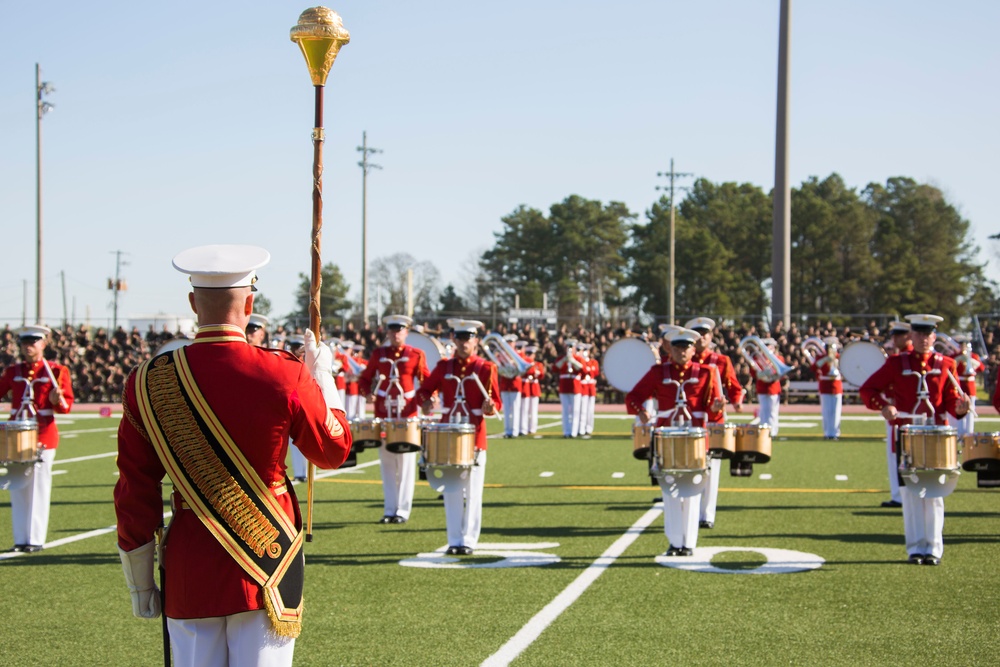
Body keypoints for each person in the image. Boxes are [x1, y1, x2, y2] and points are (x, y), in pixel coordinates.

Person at [114, 244, 351, 665]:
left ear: (192, 302)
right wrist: (323, 378)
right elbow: (333, 451)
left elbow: (135, 490)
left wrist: (139, 584)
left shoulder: (147, 381)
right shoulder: (284, 372)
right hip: (267, 564)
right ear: (250, 302)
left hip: (190, 564)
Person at [859, 313, 969, 566]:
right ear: (912, 336)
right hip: (907, 434)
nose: (924, 339)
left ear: (934, 336)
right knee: (910, 494)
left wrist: (961, 408)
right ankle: (915, 549)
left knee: (935, 493)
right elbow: (869, 389)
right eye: (919, 334)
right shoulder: (898, 363)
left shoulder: (946, 364)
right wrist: (884, 406)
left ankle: (933, 549)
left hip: (936, 437)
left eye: (928, 334)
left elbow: (951, 402)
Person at [625, 327, 724, 557]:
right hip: (666, 437)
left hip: (695, 437)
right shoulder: (658, 372)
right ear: (670, 349)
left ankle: (688, 543)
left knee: (691, 489)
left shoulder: (707, 372)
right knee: (670, 490)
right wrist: (640, 412)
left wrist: (717, 409)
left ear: (693, 349)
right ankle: (674, 541)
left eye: (686, 347)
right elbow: (633, 397)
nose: (682, 352)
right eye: (678, 347)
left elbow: (713, 409)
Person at [406, 319, 501, 555]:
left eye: (468, 337)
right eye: (459, 337)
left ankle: (468, 539)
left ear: (476, 340)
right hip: (449, 434)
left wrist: (490, 407)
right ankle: (454, 539)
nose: (463, 342)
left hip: (475, 435)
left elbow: (496, 402)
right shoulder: (444, 367)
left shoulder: (486, 368)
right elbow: (424, 391)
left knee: (473, 489)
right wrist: (427, 402)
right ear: (454, 339)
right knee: (452, 489)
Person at [0, 325, 74, 552]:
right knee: (18, 486)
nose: (28, 347)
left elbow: (66, 407)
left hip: (43, 434)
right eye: (25, 343)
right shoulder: (14, 371)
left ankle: (35, 539)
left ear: (43, 344)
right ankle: (20, 539)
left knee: (38, 487)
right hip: (16, 436)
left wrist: (55, 399)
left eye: (33, 342)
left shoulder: (56, 371)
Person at [357, 315, 430, 524]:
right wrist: (367, 393)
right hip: (384, 414)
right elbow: (365, 378)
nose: (395, 334)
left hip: (406, 415)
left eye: (399, 330)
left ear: (406, 332)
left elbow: (425, 381)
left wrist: (427, 399)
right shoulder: (379, 354)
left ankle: (403, 511)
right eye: (392, 330)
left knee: (406, 463)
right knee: (387, 463)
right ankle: (390, 509)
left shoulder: (417, 354)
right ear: (387, 333)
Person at [686, 317, 743, 530]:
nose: (702, 337)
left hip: (714, 421)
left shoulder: (721, 360)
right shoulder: (686, 361)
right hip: (691, 419)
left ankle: (706, 514)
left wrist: (736, 401)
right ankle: (689, 508)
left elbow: (733, 385)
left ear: (711, 337)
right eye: (698, 334)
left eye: (706, 333)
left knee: (712, 468)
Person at [879, 321, 911, 508]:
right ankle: (899, 494)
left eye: (898, 335)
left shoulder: (901, 360)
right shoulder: (897, 358)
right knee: (894, 454)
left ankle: (899, 496)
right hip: (895, 410)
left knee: (896, 454)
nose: (895, 339)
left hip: (901, 412)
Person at [947, 335, 981, 438]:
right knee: (960, 408)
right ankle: (960, 433)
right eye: (961, 345)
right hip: (959, 384)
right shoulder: (954, 356)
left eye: (965, 345)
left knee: (970, 409)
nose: (963, 347)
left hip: (970, 385)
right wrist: (958, 359)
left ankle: (969, 432)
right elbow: (949, 368)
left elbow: (981, 368)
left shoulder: (973, 356)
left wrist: (970, 360)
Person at [751, 337, 784, 436]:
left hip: (773, 388)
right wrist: (760, 374)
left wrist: (772, 373)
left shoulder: (778, 358)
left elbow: (780, 373)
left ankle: (773, 432)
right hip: (762, 387)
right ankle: (764, 432)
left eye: (769, 345)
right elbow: (753, 372)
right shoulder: (757, 358)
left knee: (773, 412)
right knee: (763, 412)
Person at [812, 336, 843, 440]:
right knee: (826, 411)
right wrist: (825, 359)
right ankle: (827, 432)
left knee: (836, 411)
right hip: (825, 385)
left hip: (836, 385)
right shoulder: (821, 357)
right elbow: (813, 367)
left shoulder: (839, 357)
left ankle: (835, 433)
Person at [551, 340, 584, 438]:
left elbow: (583, 369)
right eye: (568, 347)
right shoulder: (561, 358)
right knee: (565, 410)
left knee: (575, 410)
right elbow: (555, 368)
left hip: (575, 387)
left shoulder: (578, 358)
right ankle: (566, 431)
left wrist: (573, 361)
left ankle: (573, 432)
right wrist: (565, 359)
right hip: (564, 387)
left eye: (571, 347)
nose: (569, 349)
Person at [498, 334, 522, 438]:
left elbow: (521, 369)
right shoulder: (501, 355)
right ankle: (507, 431)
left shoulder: (518, 355)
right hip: (505, 384)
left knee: (515, 409)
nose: (509, 344)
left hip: (515, 384)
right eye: (508, 342)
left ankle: (515, 431)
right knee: (506, 410)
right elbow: (498, 368)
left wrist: (513, 364)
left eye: (511, 342)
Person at [519, 345, 544, 437]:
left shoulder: (538, 364)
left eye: (531, 354)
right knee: (523, 409)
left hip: (533, 388)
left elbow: (541, 374)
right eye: (528, 353)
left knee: (533, 410)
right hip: (525, 387)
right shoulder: (524, 363)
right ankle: (523, 428)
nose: (529, 355)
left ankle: (532, 428)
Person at [579, 343, 599, 437]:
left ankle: (589, 428)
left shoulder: (593, 362)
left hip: (590, 386)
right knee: (582, 409)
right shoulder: (581, 361)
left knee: (590, 410)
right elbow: (583, 370)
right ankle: (581, 428)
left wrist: (588, 368)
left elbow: (595, 371)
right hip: (583, 386)